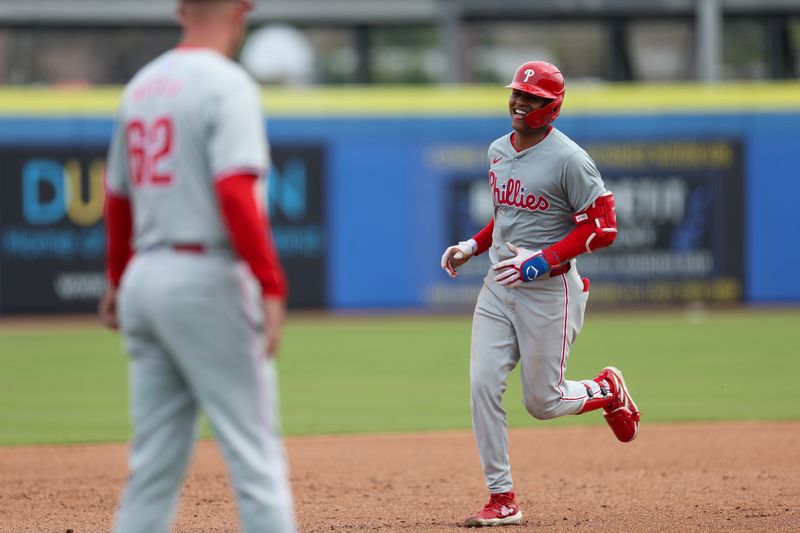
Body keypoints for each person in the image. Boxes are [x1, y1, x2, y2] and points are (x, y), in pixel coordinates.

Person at [98, 1, 295, 532]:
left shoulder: (141, 85)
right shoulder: (228, 84)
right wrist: (270, 282)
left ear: (182, 10)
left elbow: (117, 198)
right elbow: (234, 189)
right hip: (206, 279)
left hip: (144, 278)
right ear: (239, 14)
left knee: (153, 470)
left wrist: (117, 279)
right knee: (256, 462)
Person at [440, 61, 640, 528]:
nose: (519, 103)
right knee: (481, 386)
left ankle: (607, 391)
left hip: (550, 292)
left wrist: (543, 259)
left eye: (531, 98)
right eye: (516, 94)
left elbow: (603, 227)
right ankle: (502, 497)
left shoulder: (570, 159)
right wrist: (473, 245)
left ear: (552, 106)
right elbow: (507, 218)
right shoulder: (496, 151)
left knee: (542, 403)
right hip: (497, 286)